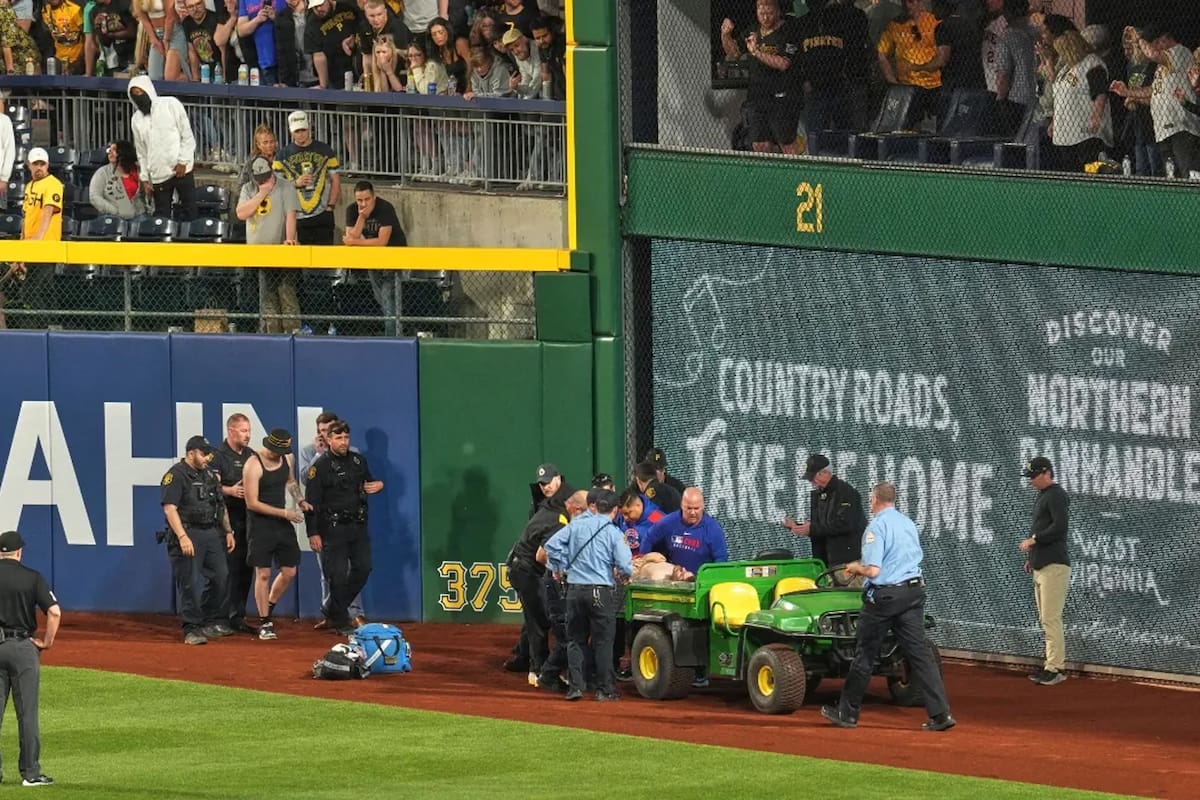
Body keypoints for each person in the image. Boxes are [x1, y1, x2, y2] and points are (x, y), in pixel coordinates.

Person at [821, 482, 956, 732]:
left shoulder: (876, 527)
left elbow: (873, 570)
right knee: (920, 655)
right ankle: (941, 714)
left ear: (874, 500)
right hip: (913, 593)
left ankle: (847, 713)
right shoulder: (907, 523)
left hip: (885, 598)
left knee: (865, 654)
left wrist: (855, 567)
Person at [542, 489, 633, 702]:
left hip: (574, 590)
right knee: (603, 641)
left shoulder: (576, 525)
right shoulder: (613, 533)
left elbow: (551, 546)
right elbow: (624, 564)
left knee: (575, 640)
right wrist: (624, 574)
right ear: (615, 510)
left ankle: (575, 687)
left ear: (596, 506)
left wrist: (559, 566)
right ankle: (605, 690)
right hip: (599, 592)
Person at [304, 420, 382, 635]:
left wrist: (379, 485)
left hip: (357, 526)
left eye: (346, 437)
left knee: (363, 568)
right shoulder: (319, 467)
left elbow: (370, 483)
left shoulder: (358, 461)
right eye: (338, 438)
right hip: (333, 528)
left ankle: (332, 610)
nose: (344, 442)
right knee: (336, 576)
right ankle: (340, 621)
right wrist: (313, 533)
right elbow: (311, 504)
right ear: (328, 440)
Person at [160, 435, 235, 646]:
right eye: (203, 454)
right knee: (190, 582)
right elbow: (170, 508)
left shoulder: (209, 475)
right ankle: (191, 628)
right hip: (188, 532)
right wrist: (182, 536)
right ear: (191, 453)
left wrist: (228, 531)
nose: (207, 458)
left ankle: (209, 620)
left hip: (210, 532)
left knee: (221, 576)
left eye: (208, 454)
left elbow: (220, 504)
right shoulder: (176, 475)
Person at [0, 531, 59, 787]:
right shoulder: (32, 577)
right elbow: (54, 613)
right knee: (27, 714)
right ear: (20, 552)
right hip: (23, 648)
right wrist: (46, 642)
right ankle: (31, 773)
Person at [505, 476, 574, 687]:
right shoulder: (557, 519)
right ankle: (537, 670)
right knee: (539, 620)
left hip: (524, 567)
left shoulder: (551, 509)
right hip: (525, 570)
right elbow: (542, 556)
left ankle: (522, 656)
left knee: (534, 615)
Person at [1110, 25, 1200, 180]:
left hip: (1181, 125)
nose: (1154, 47)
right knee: (1171, 175)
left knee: (1187, 173)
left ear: (1163, 39)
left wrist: (1139, 39)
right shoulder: (1162, 65)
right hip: (1164, 127)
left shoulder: (1180, 52)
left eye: (1156, 43)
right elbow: (1153, 90)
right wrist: (1127, 92)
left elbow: (1152, 54)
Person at [242, 428, 306, 641]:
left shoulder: (287, 458)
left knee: (289, 571)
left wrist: (300, 500)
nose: (281, 454)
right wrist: (285, 513)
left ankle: (268, 606)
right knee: (263, 574)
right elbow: (252, 503)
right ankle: (265, 621)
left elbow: (290, 481)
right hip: (260, 525)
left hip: (281, 523)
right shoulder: (253, 464)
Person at [719, 0, 800, 154]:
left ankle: (793, 168)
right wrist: (726, 35)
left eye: (769, 13)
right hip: (757, 96)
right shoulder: (753, 30)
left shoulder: (788, 31)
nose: (765, 18)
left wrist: (756, 52)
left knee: (787, 144)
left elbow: (783, 63)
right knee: (760, 145)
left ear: (778, 12)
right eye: (761, 13)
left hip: (781, 98)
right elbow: (734, 53)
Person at [1018, 455, 1070, 685]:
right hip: (1042, 564)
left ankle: (1056, 668)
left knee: (1050, 618)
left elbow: (1060, 527)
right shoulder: (1044, 495)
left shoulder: (1056, 494)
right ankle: (1051, 664)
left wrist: (1034, 540)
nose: (1031, 480)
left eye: (1034, 476)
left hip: (1054, 565)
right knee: (1046, 619)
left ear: (1047, 473)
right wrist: (1033, 558)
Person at [235, 155, 300, 333]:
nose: (263, 181)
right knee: (267, 298)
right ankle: (271, 333)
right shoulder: (249, 188)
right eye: (260, 179)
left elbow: (291, 216)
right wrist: (262, 193)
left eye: (266, 177)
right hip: (259, 253)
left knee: (287, 294)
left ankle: (292, 333)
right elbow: (241, 213)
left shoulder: (286, 186)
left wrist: (289, 239)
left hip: (281, 250)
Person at [127, 75, 198, 221]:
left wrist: (183, 161)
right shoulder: (136, 120)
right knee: (161, 216)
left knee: (189, 211)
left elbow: (187, 136)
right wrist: (145, 178)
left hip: (181, 170)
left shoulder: (171, 104)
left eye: (140, 92)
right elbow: (141, 152)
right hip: (158, 174)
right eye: (134, 94)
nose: (138, 96)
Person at [210, 413, 255, 634]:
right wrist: (230, 490)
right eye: (244, 431)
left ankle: (238, 617)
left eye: (249, 431)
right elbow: (210, 486)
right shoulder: (217, 456)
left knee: (246, 570)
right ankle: (219, 617)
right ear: (230, 431)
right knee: (226, 571)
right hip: (226, 522)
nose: (248, 435)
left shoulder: (251, 455)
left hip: (249, 521)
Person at [343, 180, 406, 335]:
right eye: (359, 200)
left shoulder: (385, 208)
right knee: (380, 298)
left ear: (374, 197)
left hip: (392, 258)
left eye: (367, 199)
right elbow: (351, 238)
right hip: (372, 259)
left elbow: (382, 242)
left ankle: (392, 337)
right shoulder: (352, 210)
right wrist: (362, 218)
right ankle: (396, 331)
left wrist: (355, 242)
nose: (363, 204)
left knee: (388, 297)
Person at [783, 453, 865, 571]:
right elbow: (822, 526)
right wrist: (799, 527)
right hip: (825, 562)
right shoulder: (819, 495)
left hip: (846, 562)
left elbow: (844, 524)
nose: (811, 481)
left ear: (825, 473)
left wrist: (812, 529)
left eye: (812, 477)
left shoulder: (846, 492)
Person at [1047, 29, 1111, 172]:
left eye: (1063, 51)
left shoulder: (1092, 63)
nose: (1062, 55)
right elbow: (1060, 96)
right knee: (1070, 169)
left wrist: (1096, 117)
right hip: (1065, 129)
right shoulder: (1066, 68)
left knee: (1088, 167)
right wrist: (1054, 121)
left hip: (1084, 129)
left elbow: (1100, 92)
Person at [273, 110, 340, 246]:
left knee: (325, 257)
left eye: (303, 130)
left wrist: (330, 206)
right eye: (297, 131)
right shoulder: (281, 155)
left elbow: (335, 180)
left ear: (309, 128)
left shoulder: (325, 150)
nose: (300, 134)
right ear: (291, 131)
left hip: (322, 214)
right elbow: (275, 186)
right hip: (296, 216)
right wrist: (295, 183)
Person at [14, 148, 64, 329]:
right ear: (29, 165)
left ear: (48, 165)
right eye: (35, 164)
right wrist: (21, 253)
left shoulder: (53, 184)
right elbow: (26, 219)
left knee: (32, 291)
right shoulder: (29, 186)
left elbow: (48, 211)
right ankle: (54, 326)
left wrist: (38, 239)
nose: (39, 168)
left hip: (46, 247)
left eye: (42, 164)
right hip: (31, 248)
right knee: (44, 290)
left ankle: (45, 328)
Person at [877, 0, 942, 128]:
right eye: (904, 2)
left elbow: (943, 52)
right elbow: (882, 54)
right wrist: (892, 80)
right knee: (908, 125)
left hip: (933, 83)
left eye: (911, 2)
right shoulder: (894, 25)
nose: (907, 6)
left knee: (932, 126)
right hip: (907, 85)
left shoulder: (933, 21)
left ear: (919, 3)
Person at [641, 488, 728, 580]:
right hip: (673, 580)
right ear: (682, 505)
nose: (692, 512)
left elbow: (721, 560)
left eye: (696, 508)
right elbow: (649, 538)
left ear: (702, 506)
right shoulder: (669, 522)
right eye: (689, 508)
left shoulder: (713, 529)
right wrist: (643, 560)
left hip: (700, 582)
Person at [88, 140, 149, 219]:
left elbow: (147, 194)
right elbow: (94, 197)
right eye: (109, 150)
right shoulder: (102, 173)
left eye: (114, 150)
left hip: (139, 215)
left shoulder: (140, 171)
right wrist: (114, 211)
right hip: (112, 216)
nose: (110, 152)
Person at [305, 0, 357, 89]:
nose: (318, 9)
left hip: (358, 66)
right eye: (315, 7)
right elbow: (318, 54)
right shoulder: (312, 22)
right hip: (335, 74)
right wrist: (323, 85)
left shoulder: (349, 5)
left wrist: (355, 38)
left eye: (321, 5)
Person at [237, 0, 278, 85]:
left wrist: (276, 17)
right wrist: (257, 20)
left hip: (284, 61)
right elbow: (241, 30)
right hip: (259, 62)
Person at [42, 0, 86, 74]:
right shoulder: (45, 12)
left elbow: (87, 36)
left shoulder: (74, 10)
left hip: (77, 60)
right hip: (58, 59)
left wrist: (79, 60)